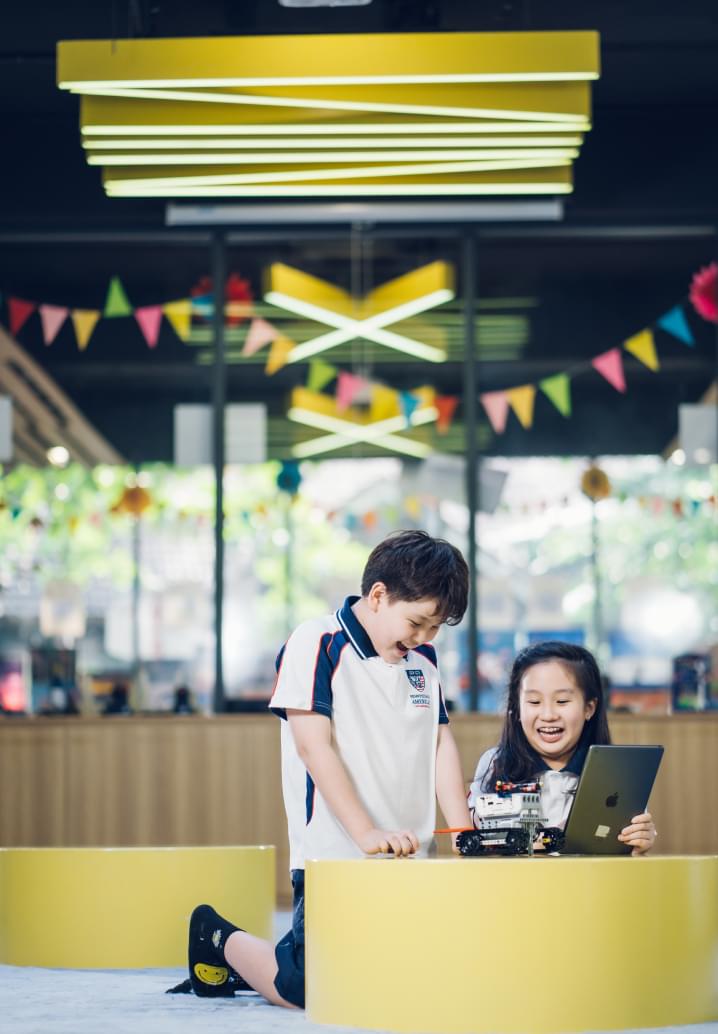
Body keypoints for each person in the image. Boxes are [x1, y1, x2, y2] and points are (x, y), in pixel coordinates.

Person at [176, 530, 471, 1008]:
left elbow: (440, 743)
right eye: (417, 622)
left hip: (411, 857)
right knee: (313, 988)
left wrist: (461, 831)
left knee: (408, 979)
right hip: (334, 856)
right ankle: (218, 937)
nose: (423, 637)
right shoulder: (317, 642)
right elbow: (314, 748)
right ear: (379, 595)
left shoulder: (424, 660)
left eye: (435, 628)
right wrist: (366, 832)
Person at [469, 640, 657, 854]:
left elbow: (625, 847)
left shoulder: (615, 772)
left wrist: (638, 842)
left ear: (589, 708)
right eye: (534, 702)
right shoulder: (495, 763)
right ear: (517, 708)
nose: (548, 715)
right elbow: (475, 839)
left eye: (562, 701)